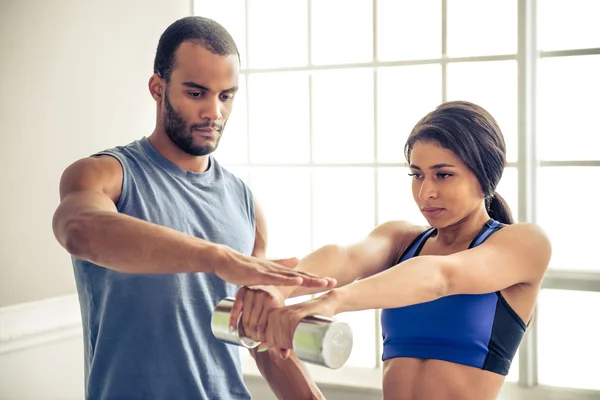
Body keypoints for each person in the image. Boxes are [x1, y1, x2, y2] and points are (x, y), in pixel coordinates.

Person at [52, 16, 335, 400]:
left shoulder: (245, 203)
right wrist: (216, 257)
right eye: (197, 93)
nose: (214, 113)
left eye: (226, 96)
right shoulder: (105, 175)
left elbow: (261, 339)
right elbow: (78, 230)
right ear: (158, 88)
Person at [232, 101, 552, 400]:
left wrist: (332, 302)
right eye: (416, 175)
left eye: (443, 175)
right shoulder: (401, 239)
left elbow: (440, 276)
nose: (425, 192)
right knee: (266, 346)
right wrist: (276, 287)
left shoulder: (524, 243)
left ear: (485, 176)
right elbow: (345, 257)